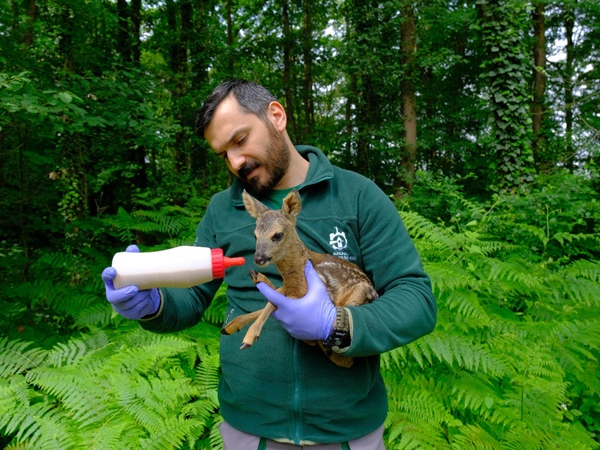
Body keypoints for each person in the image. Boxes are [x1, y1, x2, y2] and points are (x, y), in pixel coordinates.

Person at [101, 79, 437, 449]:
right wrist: (153, 305)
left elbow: (415, 300)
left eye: (240, 140)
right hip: (250, 432)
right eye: (223, 154)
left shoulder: (356, 196)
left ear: (276, 116)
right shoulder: (223, 210)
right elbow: (193, 298)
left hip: (346, 434)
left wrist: (338, 325)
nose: (235, 162)